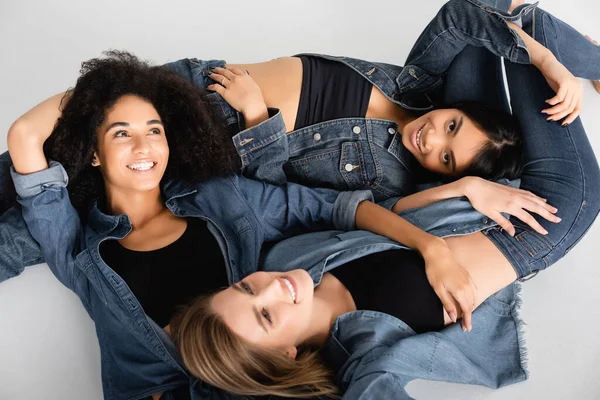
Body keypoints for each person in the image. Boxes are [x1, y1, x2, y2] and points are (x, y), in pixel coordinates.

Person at [164, 0, 600, 398]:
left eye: (246, 289)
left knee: (495, 20)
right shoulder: (364, 360)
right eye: (266, 316)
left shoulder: (288, 256)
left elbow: (367, 210)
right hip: (538, 223)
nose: (271, 289)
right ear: (285, 356)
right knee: (523, 33)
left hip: (463, 194)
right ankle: (581, 56)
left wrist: (459, 194)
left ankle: (573, 56)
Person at [4, 50, 477, 400]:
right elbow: (26, 142)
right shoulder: (85, 256)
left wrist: (431, 247)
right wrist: (101, 96)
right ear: (93, 153)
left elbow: (339, 208)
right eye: (121, 134)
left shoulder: (223, 198)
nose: (144, 147)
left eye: (154, 131)